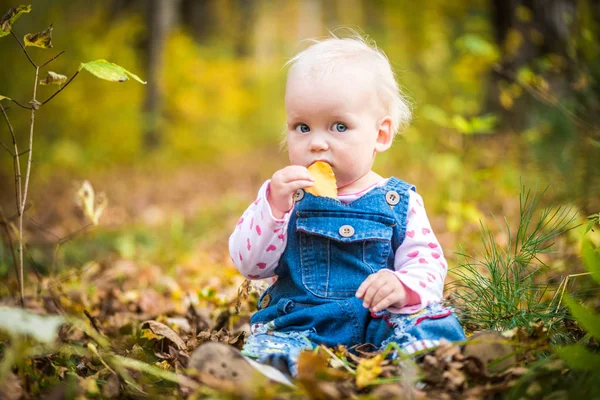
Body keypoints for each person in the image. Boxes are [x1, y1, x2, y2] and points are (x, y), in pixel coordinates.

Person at [190, 32, 466, 383]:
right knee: (275, 345)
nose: (317, 143)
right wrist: (273, 208)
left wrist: (404, 285)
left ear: (380, 135)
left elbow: (428, 262)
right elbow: (250, 264)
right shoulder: (284, 197)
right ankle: (263, 378)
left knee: (426, 321)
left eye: (339, 126)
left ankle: (423, 370)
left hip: (378, 320)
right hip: (304, 323)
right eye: (301, 127)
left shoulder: (399, 200)